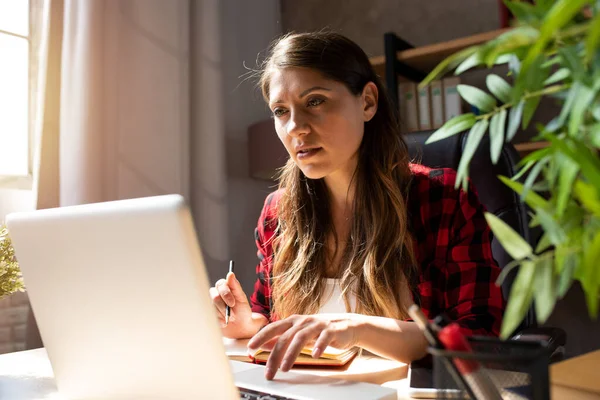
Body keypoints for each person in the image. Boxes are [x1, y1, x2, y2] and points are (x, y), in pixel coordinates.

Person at [210, 31, 505, 380]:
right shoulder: (279, 212)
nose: (295, 128)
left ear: (367, 102)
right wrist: (248, 324)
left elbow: (478, 339)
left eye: (315, 101)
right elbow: (272, 318)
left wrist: (358, 328)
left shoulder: (440, 197)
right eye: (280, 111)